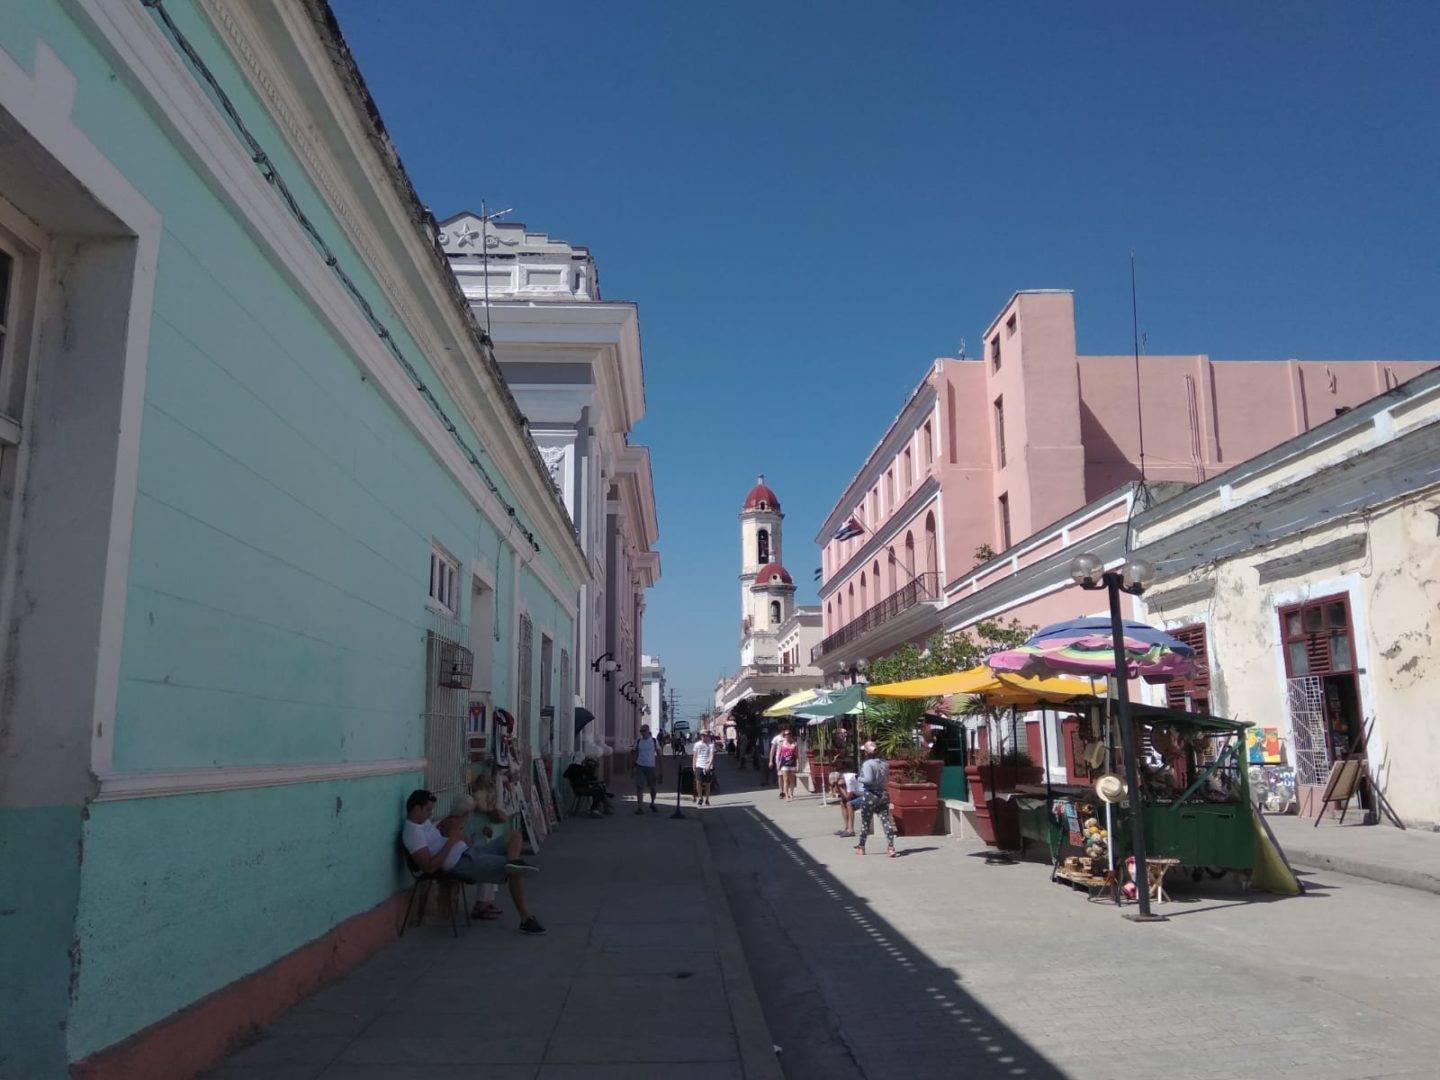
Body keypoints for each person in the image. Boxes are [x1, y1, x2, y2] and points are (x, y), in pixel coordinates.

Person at [401, 789, 546, 935]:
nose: (430, 814)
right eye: (428, 810)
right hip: (462, 862)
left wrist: (448, 830)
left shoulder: (422, 822)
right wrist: (452, 840)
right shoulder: (413, 833)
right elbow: (429, 867)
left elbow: (441, 839)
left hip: (469, 852)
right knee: (515, 871)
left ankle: (514, 862)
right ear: (416, 808)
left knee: (514, 836)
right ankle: (526, 919)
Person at [853, 742, 898, 857]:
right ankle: (891, 847)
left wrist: (859, 778)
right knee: (885, 821)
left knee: (865, 822)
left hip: (870, 794)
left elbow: (868, 779)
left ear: (867, 752)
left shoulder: (868, 764)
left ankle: (861, 847)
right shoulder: (885, 764)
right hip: (883, 794)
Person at [634, 724, 661, 814]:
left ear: (648, 731)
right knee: (639, 787)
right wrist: (632, 767)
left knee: (652, 787)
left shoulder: (654, 741)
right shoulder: (638, 741)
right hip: (640, 766)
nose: (642, 733)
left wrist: (660, 768)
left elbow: (659, 754)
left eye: (643, 731)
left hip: (651, 767)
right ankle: (640, 807)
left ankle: (652, 803)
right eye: (641, 731)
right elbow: (635, 753)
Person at [830, 766, 861, 837]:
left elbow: (848, 798)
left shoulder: (849, 779)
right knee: (842, 803)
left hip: (867, 794)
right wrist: (838, 788)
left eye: (835, 784)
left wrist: (839, 787)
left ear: (839, 779)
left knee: (849, 804)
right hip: (858, 794)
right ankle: (846, 827)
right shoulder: (843, 781)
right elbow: (844, 797)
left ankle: (851, 830)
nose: (836, 786)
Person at [692, 730, 718, 805]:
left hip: (707, 766)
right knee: (698, 782)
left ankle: (707, 799)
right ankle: (700, 798)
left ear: (708, 736)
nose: (703, 737)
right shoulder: (697, 744)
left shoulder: (711, 745)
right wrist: (693, 766)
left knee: (707, 784)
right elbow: (695, 756)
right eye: (702, 735)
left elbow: (712, 755)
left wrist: (709, 765)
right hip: (699, 765)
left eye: (705, 735)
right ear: (700, 736)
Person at [775, 728, 801, 800]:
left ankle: (791, 794)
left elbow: (797, 755)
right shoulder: (781, 743)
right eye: (786, 734)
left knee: (792, 780)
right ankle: (786, 795)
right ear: (784, 736)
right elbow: (779, 754)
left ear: (790, 734)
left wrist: (798, 764)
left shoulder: (794, 743)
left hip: (792, 763)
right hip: (784, 764)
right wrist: (778, 764)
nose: (787, 735)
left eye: (788, 734)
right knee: (785, 780)